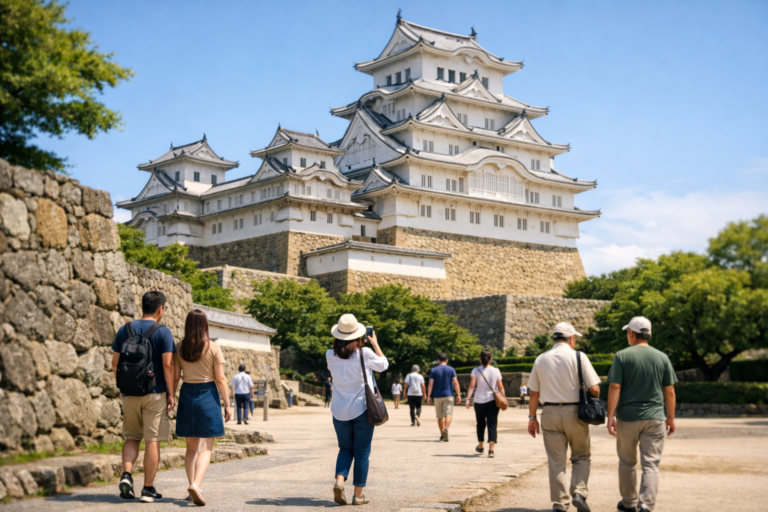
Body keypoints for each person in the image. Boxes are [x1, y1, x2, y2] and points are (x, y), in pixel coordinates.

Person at [527, 322, 601, 512]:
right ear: (571, 338)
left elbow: (534, 393)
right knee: (581, 456)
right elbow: (594, 388)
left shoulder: (540, 359)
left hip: (550, 412)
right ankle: (579, 492)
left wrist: (532, 418)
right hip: (575, 412)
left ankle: (560, 504)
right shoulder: (579, 357)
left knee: (556, 461)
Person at [607, 317, 677, 512]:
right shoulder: (662, 357)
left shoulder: (622, 356)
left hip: (628, 417)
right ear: (650, 334)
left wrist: (610, 415)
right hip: (655, 418)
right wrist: (670, 417)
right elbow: (669, 391)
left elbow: (614, 386)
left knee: (627, 462)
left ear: (631, 333)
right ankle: (646, 505)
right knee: (651, 464)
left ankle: (628, 502)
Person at [112, 291, 175, 503]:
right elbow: (167, 364)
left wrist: (122, 386)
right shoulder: (163, 332)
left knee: (131, 437)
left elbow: (115, 363)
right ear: (160, 309)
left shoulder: (125, 329)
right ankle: (148, 489)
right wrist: (171, 392)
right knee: (152, 441)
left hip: (129, 392)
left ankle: (127, 476)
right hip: (154, 394)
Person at [326, 314, 388, 506]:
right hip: (362, 409)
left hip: (339, 410)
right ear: (358, 335)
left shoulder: (330, 355)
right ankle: (358, 495)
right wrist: (375, 344)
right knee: (361, 452)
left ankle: (339, 481)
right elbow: (384, 365)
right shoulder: (365, 353)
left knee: (345, 449)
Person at [173, 309, 232, 506]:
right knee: (206, 447)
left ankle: (192, 485)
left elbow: (175, 376)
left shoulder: (179, 348)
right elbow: (221, 379)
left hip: (187, 393)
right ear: (205, 325)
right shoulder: (213, 347)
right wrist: (228, 404)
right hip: (208, 394)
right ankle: (197, 484)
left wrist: (171, 396)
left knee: (190, 448)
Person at [465, 349, 504, 457]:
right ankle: (491, 451)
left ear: (480, 359)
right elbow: (500, 387)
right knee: (492, 424)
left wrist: (468, 399)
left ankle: (481, 446)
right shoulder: (496, 371)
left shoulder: (475, 370)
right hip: (492, 401)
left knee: (480, 424)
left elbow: (472, 386)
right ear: (490, 360)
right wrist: (503, 399)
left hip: (479, 401)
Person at [427, 353, 461, 442]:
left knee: (440, 416)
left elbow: (431, 384)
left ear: (438, 360)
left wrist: (429, 396)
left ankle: (442, 434)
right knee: (448, 414)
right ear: (446, 360)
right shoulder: (451, 369)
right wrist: (458, 394)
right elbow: (456, 382)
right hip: (448, 394)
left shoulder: (433, 370)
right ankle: (446, 429)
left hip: (437, 396)